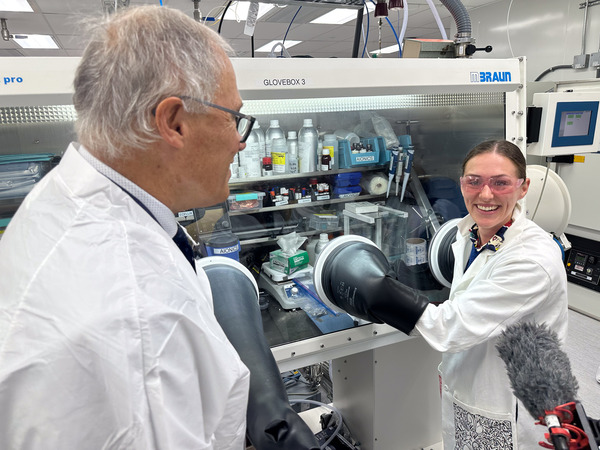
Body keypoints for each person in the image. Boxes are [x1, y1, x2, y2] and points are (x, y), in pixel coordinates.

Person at [0, 6, 254, 449]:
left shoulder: (66, 195)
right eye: (233, 118)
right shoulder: (139, 319)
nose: (239, 140)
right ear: (173, 122)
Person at [413, 139, 569, 449]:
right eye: (475, 181)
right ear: (462, 184)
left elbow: (451, 326)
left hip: (507, 398)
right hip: (467, 379)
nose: (486, 194)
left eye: (501, 183)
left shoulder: (532, 259)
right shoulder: (469, 232)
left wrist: (381, 297)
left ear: (523, 188)